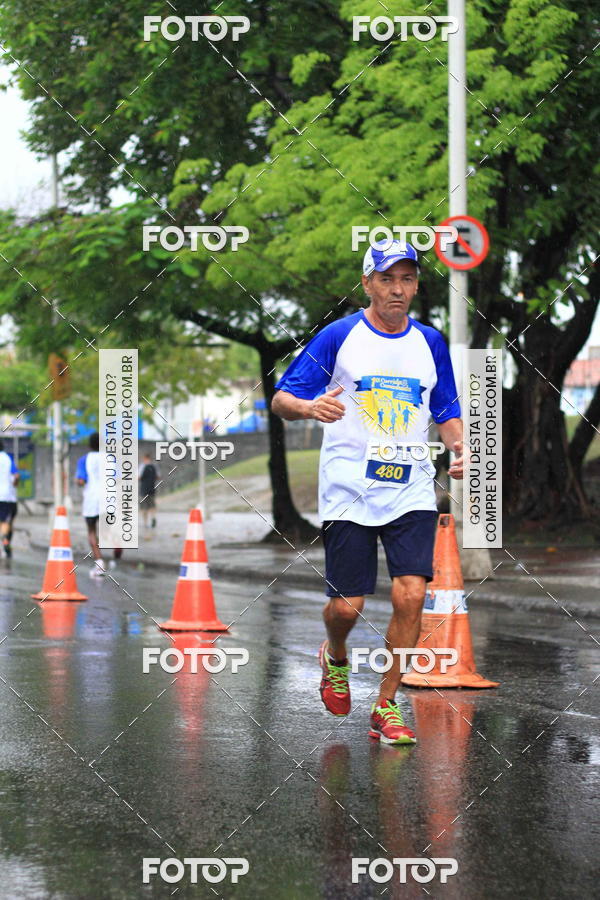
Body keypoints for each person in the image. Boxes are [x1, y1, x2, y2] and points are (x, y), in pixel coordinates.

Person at [272, 240, 464, 746]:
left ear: (417, 285)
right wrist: (310, 408)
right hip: (348, 488)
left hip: (411, 488)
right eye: (387, 279)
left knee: (413, 593)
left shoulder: (430, 342)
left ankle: (387, 704)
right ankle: (335, 656)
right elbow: (281, 398)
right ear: (368, 284)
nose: (397, 289)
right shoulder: (339, 336)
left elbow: (445, 409)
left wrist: (460, 448)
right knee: (347, 607)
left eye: (406, 279)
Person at [76, 432, 122, 576]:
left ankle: (100, 563)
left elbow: (81, 481)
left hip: (92, 499)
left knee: (91, 531)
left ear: (89, 445)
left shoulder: (84, 460)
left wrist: (78, 481)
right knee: (106, 529)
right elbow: (118, 478)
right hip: (109, 498)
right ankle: (116, 542)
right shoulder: (111, 458)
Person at [0, 439, 19, 558]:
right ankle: (5, 540)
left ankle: (4, 541)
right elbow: (16, 475)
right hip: (7, 496)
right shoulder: (7, 458)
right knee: (7, 521)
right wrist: (15, 483)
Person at [138, 453, 158, 528]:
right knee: (152, 506)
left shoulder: (142, 466)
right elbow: (157, 477)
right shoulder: (154, 466)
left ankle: (145, 523)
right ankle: (153, 517)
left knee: (144, 507)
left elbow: (139, 477)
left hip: (144, 489)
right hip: (152, 489)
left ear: (145, 458)